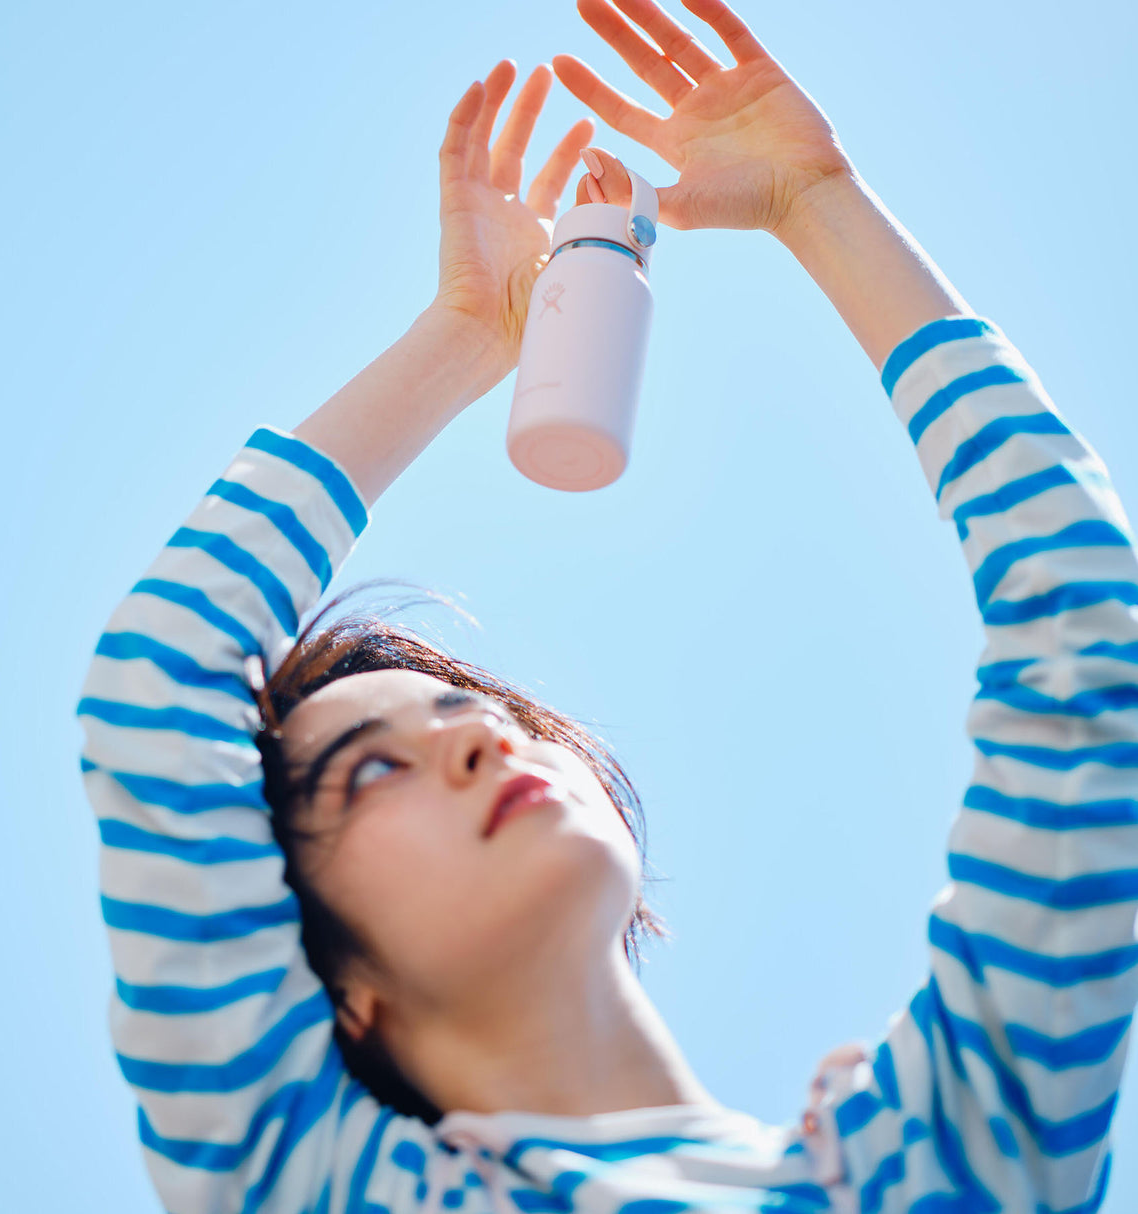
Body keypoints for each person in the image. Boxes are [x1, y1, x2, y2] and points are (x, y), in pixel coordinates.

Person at [75, 1, 1138, 1211]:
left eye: (477, 711)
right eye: (370, 771)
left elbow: (1084, 635)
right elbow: (159, 680)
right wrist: (469, 335)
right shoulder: (314, 1181)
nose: (482, 734)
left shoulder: (934, 1163)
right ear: (332, 991)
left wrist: (817, 203)